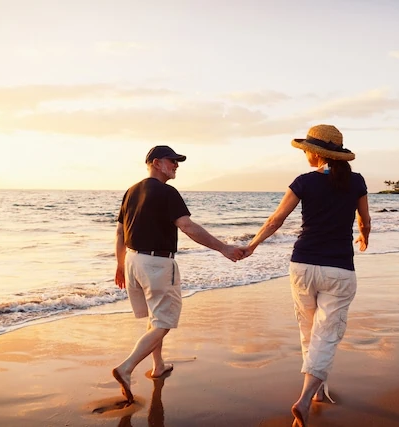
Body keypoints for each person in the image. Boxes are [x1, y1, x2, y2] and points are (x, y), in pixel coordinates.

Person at [242, 125, 371, 427]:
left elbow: (276, 219)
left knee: (308, 331)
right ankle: (305, 398)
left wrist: (252, 245)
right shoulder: (356, 182)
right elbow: (364, 219)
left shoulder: (303, 182)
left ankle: (318, 392)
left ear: (315, 154)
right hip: (338, 269)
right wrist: (365, 238)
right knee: (326, 335)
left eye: (306, 152)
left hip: (302, 266)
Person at [112, 145, 244, 404]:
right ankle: (126, 367)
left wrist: (120, 266)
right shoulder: (167, 192)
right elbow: (187, 226)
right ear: (156, 162)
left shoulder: (131, 191)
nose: (176, 165)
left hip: (132, 260)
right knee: (163, 322)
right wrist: (224, 248)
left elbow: (119, 233)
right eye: (172, 161)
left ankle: (158, 365)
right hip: (157, 264)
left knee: (154, 316)